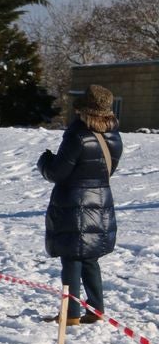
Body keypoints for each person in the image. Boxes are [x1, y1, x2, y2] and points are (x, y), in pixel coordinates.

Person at [37, 84, 123, 326]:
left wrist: (44, 161)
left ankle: (71, 313)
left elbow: (57, 172)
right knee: (90, 259)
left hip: (74, 204)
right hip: (101, 202)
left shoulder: (77, 135)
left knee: (72, 258)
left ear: (83, 110)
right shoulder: (115, 137)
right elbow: (107, 170)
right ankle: (95, 309)